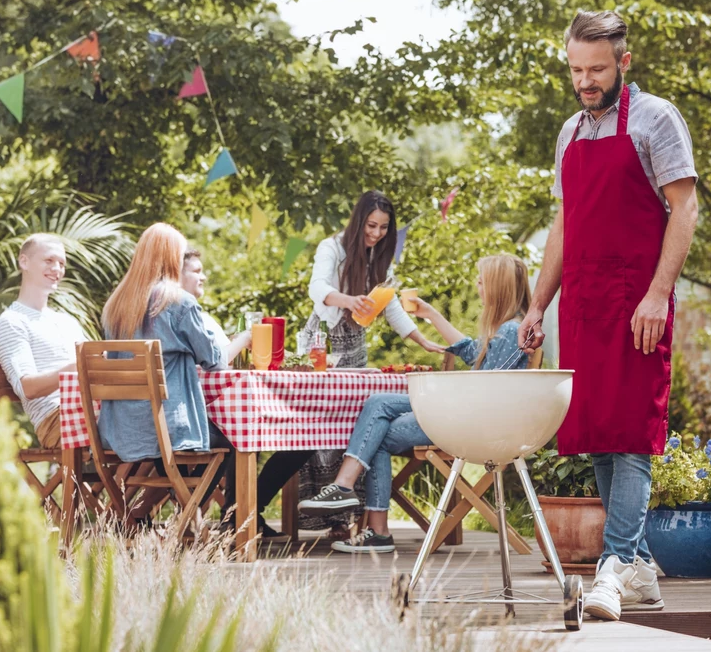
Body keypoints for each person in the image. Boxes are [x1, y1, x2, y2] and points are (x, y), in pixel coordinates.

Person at [518, 11, 699, 621]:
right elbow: (565, 225)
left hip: (638, 303)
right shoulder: (570, 131)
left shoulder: (657, 118)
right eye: (575, 70)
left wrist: (657, 293)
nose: (584, 81)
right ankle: (640, 568)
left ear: (624, 62)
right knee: (598, 430)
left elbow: (685, 208)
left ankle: (611, 569)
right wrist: (538, 303)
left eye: (595, 70)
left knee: (632, 434)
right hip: (586, 305)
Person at [300, 255, 533, 553]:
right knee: (378, 403)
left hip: (469, 422)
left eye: (482, 281)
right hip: (464, 412)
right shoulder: (506, 329)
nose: (477, 286)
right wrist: (431, 314)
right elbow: (470, 352)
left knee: (377, 431)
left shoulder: (512, 332)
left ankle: (371, 522)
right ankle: (350, 495)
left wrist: (439, 392)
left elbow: (486, 390)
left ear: (498, 287)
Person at [297, 189, 445, 537]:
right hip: (323, 339)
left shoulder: (380, 257)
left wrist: (422, 340)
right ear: (358, 220)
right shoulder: (331, 248)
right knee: (322, 426)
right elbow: (316, 287)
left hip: (355, 344)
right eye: (371, 225)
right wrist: (350, 300)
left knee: (352, 420)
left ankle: (344, 518)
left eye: (383, 228)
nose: (376, 233)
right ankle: (324, 515)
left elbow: (391, 307)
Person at [180, 249, 312, 539]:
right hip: (202, 412)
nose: (203, 276)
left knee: (305, 436)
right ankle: (236, 516)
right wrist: (246, 338)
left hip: (230, 406)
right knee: (237, 436)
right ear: (176, 275)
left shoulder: (203, 316)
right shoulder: (182, 312)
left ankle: (246, 511)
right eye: (196, 270)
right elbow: (217, 361)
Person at [98, 223, 221, 461]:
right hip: (168, 432)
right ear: (173, 258)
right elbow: (213, 360)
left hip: (120, 432)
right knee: (235, 440)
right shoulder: (179, 302)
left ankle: (182, 497)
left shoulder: (115, 304)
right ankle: (199, 500)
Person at [0, 233, 87, 448]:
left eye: (61, 263)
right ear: (24, 261)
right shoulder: (11, 322)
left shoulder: (67, 321)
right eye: (49, 261)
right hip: (57, 420)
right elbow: (27, 387)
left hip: (92, 408)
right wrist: (74, 367)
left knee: (156, 411)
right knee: (143, 418)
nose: (57, 269)